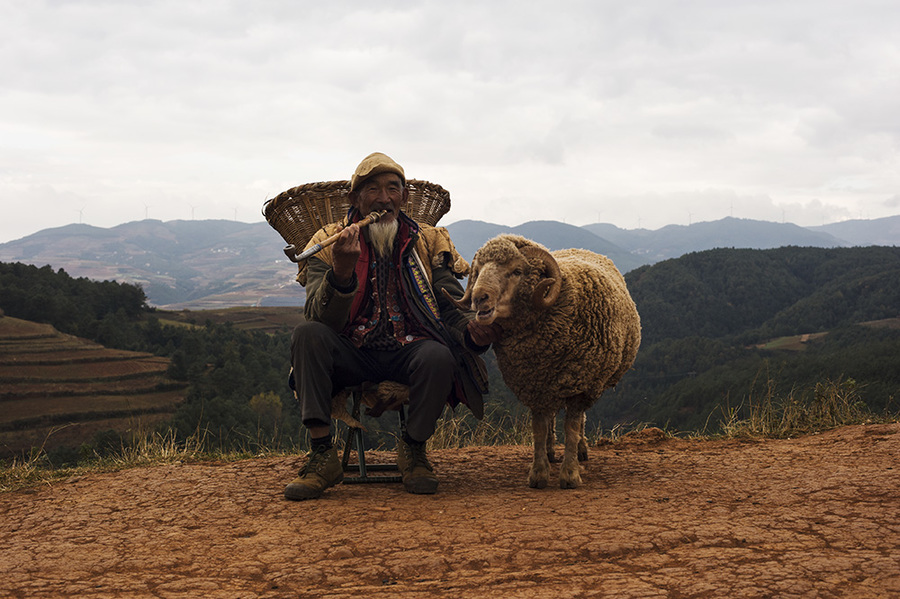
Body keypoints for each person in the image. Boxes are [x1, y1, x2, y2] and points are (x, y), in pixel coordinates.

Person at [285, 152, 500, 500]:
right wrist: (341, 272)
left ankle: (413, 450)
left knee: (438, 355)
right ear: (355, 198)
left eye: (392, 189)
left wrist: (471, 333)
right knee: (307, 335)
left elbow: (450, 305)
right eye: (372, 189)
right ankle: (322, 455)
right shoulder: (328, 242)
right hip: (351, 351)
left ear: (403, 197)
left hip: (408, 349)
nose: (383, 199)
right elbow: (317, 317)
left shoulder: (428, 241)